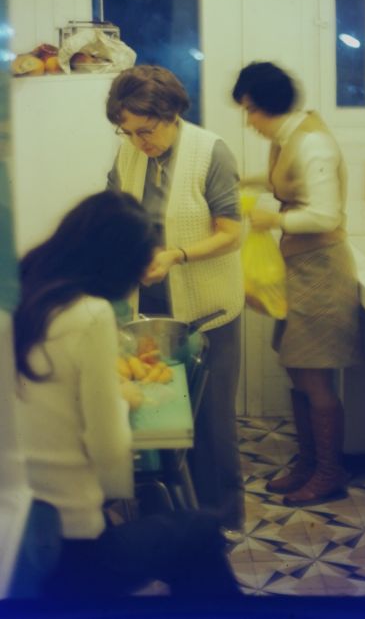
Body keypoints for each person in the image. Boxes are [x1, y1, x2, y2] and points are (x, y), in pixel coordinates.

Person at [13, 190, 241, 600]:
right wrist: (123, 397)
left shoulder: (24, 292)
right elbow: (109, 454)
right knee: (201, 530)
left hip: (18, 536)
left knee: (187, 538)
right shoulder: (89, 315)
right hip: (69, 547)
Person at [105, 65, 245, 540]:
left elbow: (232, 234)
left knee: (210, 425)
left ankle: (219, 522)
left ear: (171, 113)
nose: (138, 141)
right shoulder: (128, 153)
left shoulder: (211, 152)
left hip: (207, 312)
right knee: (158, 422)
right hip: (147, 311)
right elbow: (117, 214)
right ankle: (167, 523)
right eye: (128, 131)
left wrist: (177, 255)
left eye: (146, 130)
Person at [231, 62, 362, 507]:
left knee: (313, 373)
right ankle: (308, 462)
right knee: (296, 365)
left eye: (249, 110)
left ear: (267, 105)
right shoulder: (288, 138)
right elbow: (283, 183)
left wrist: (275, 218)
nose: (248, 121)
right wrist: (240, 180)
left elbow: (325, 216)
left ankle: (329, 472)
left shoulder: (313, 144)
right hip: (300, 267)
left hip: (322, 270)